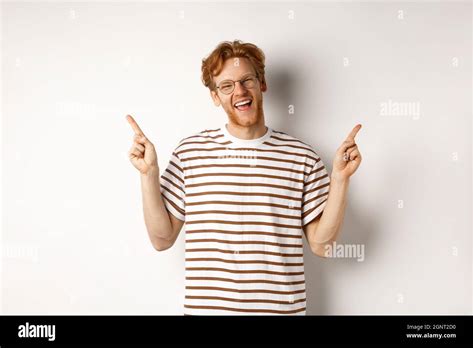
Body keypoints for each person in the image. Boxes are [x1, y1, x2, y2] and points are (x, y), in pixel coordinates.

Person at [126, 40, 362, 315]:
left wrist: (341, 179)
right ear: (215, 96)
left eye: (247, 80)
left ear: (262, 84)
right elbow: (162, 239)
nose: (239, 91)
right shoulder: (190, 153)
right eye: (226, 86)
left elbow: (323, 247)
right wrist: (148, 175)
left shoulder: (303, 157)